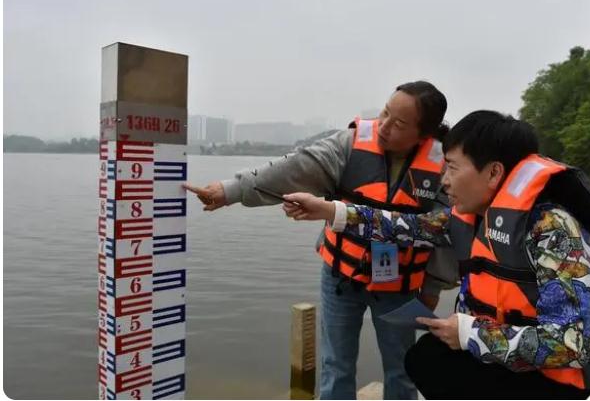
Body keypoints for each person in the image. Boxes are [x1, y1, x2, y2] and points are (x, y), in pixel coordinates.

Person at [282, 110, 590, 399]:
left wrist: (470, 333)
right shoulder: (473, 216)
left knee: (441, 362)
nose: (444, 181)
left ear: (494, 172)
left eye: (452, 167)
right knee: (426, 359)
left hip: (561, 379)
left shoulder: (553, 229)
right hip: (510, 358)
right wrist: (330, 211)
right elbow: (408, 227)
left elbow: (569, 346)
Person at [183, 81, 458, 399]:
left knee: (402, 369)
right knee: (336, 365)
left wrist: (433, 286)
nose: (384, 126)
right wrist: (230, 191)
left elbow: (444, 231)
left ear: (424, 134)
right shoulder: (351, 144)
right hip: (341, 277)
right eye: (385, 112)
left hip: (399, 286)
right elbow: (295, 167)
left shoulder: (443, 167)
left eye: (399, 124)